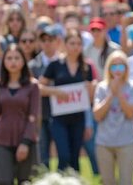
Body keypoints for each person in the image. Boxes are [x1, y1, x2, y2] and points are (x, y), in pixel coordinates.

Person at [38, 29, 95, 171]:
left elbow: (90, 98)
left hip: (78, 118)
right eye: (72, 43)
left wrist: (91, 88)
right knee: (63, 155)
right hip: (58, 118)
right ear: (65, 44)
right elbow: (39, 87)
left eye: (78, 43)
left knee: (75, 158)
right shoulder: (55, 65)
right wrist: (55, 91)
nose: (75, 46)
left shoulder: (86, 67)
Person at [0, 44, 40, 185]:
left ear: (23, 61)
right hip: (2, 140)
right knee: (4, 181)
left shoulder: (32, 85)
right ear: (4, 62)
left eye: (17, 58)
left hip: (26, 139)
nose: (13, 62)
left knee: (26, 181)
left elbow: (34, 116)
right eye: (9, 58)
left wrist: (25, 143)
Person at [93, 50, 133, 185]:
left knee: (126, 182)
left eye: (121, 66)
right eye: (114, 66)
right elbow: (97, 115)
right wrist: (110, 95)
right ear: (109, 68)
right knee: (108, 182)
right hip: (104, 143)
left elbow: (130, 113)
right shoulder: (101, 87)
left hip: (126, 141)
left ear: (126, 68)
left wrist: (119, 93)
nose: (118, 70)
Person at [28, 25, 62, 169]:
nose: (47, 43)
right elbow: (33, 90)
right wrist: (56, 91)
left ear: (57, 41)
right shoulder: (33, 65)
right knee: (42, 154)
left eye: (50, 39)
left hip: (61, 114)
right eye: (44, 40)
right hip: (41, 114)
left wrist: (45, 89)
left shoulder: (64, 62)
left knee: (63, 151)